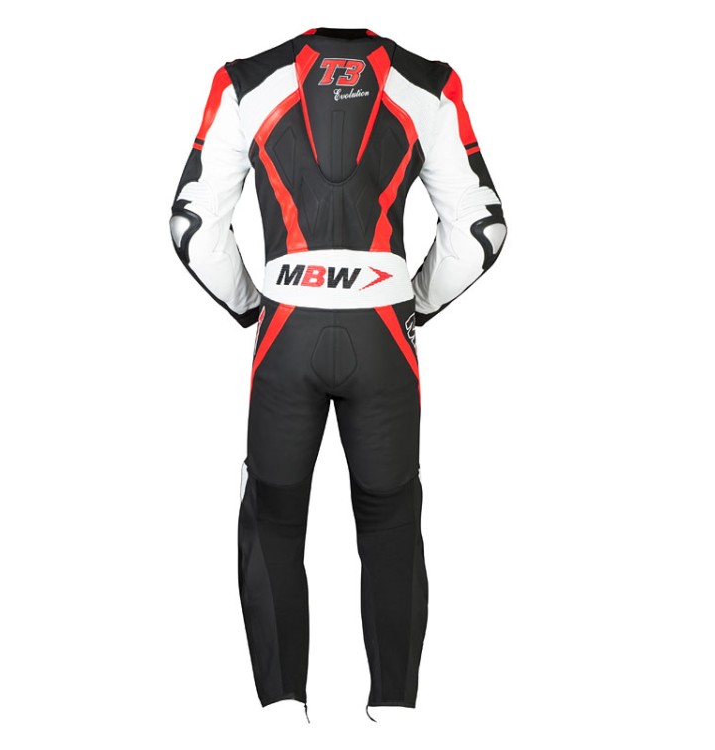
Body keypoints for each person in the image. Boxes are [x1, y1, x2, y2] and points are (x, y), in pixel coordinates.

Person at [168, 26, 507, 720]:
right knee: (391, 519)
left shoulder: (244, 81)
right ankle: (395, 714)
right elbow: (482, 229)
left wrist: (254, 305)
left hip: (286, 329)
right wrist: (411, 302)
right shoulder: (429, 82)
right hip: (382, 331)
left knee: (272, 518)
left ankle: (283, 716)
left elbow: (193, 226)